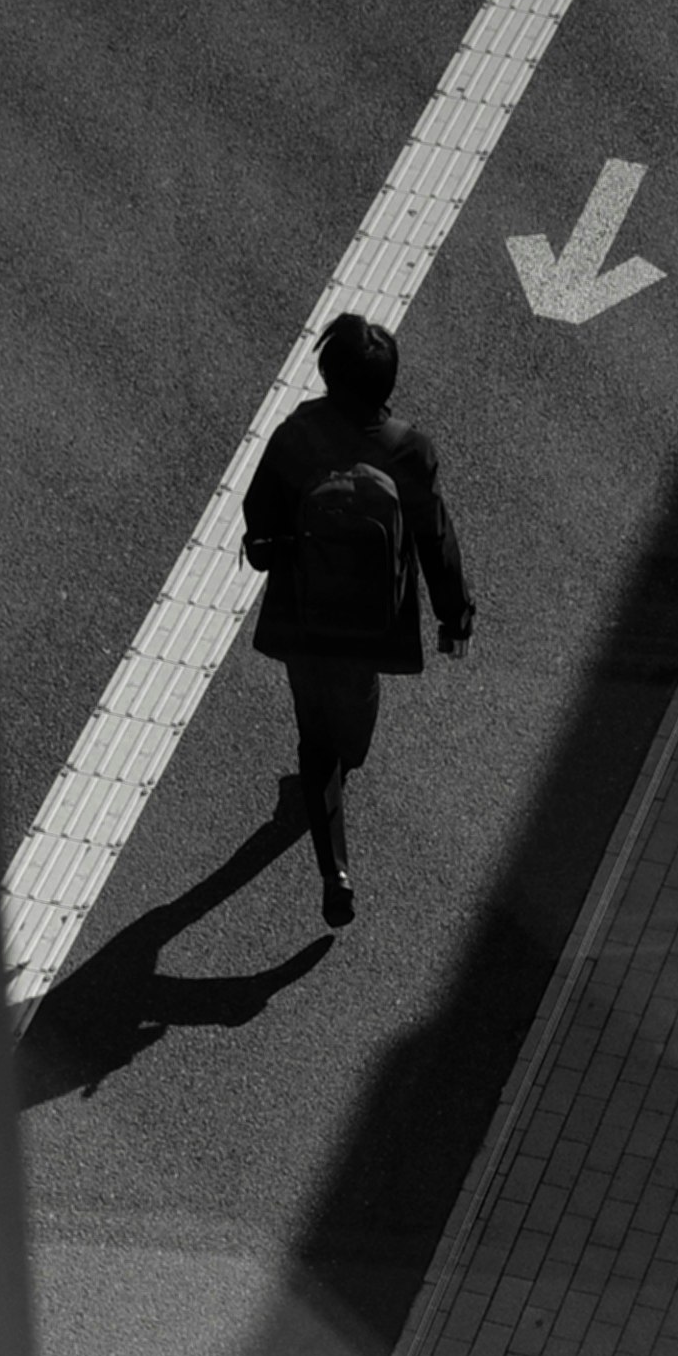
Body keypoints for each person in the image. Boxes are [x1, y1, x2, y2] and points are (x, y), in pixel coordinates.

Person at [239, 312, 472, 928]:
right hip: (374, 624)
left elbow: (257, 516)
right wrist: (455, 619)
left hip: (303, 615)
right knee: (350, 735)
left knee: (315, 739)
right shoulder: (408, 450)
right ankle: (338, 782)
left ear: (326, 374)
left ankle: (335, 869)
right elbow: (434, 541)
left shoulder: (298, 435)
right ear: (386, 382)